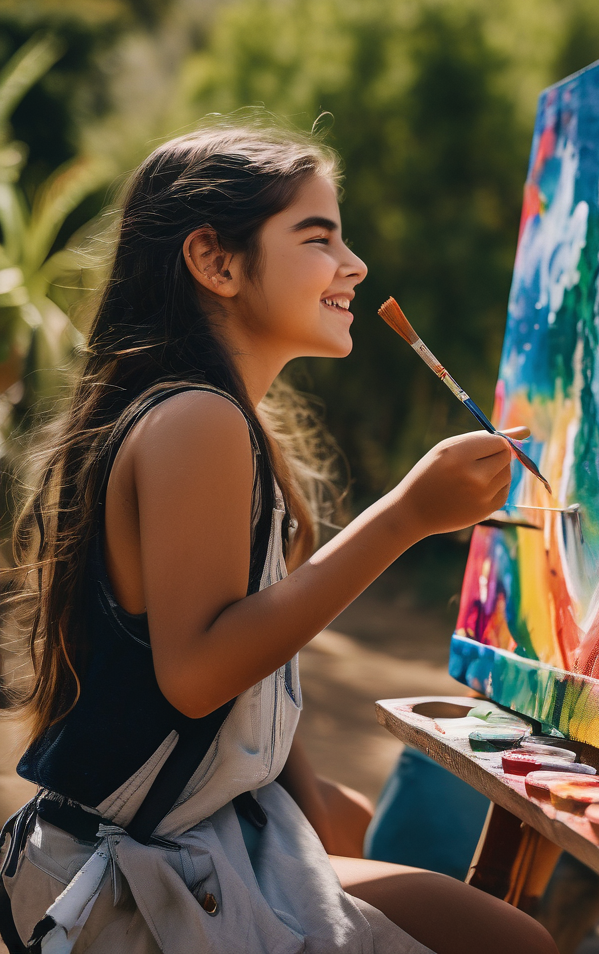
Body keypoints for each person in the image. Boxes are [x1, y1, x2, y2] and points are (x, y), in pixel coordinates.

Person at [0, 121, 557, 954]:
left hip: (169, 845)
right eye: (317, 236)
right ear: (216, 263)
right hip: (126, 890)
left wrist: (308, 808)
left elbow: (248, 671)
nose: (354, 264)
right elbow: (197, 674)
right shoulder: (196, 419)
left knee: (355, 821)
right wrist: (404, 517)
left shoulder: (220, 419)